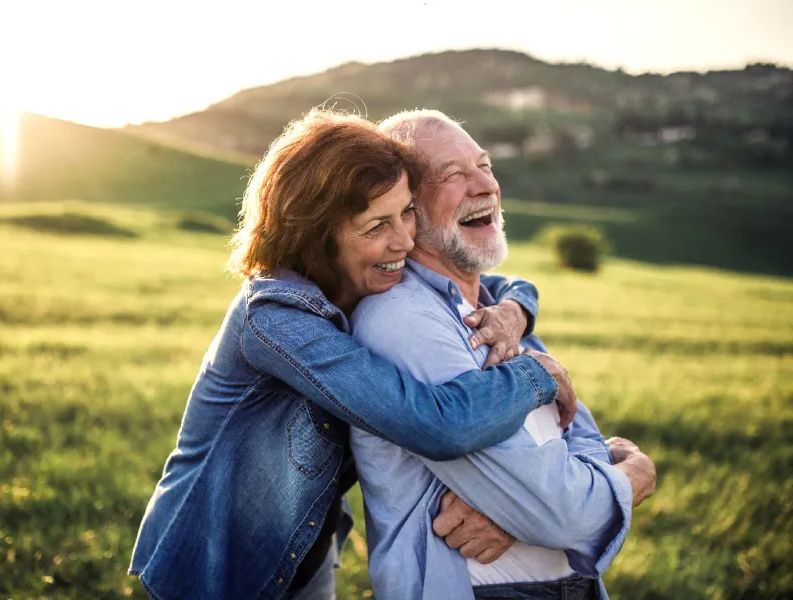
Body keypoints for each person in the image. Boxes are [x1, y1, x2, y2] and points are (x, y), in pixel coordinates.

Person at [128, 110, 578, 600]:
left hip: (305, 554)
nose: (405, 240)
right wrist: (536, 375)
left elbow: (495, 284)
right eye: (376, 226)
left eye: (406, 211)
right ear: (318, 235)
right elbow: (433, 424)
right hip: (216, 567)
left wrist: (514, 311)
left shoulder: (361, 279)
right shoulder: (276, 319)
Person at [350, 110, 657, 600]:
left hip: (573, 584)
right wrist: (634, 475)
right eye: (453, 174)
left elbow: (580, 441)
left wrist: (524, 514)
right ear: (407, 210)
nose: (484, 186)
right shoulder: (401, 319)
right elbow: (560, 512)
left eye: (485, 165)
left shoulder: (499, 314)